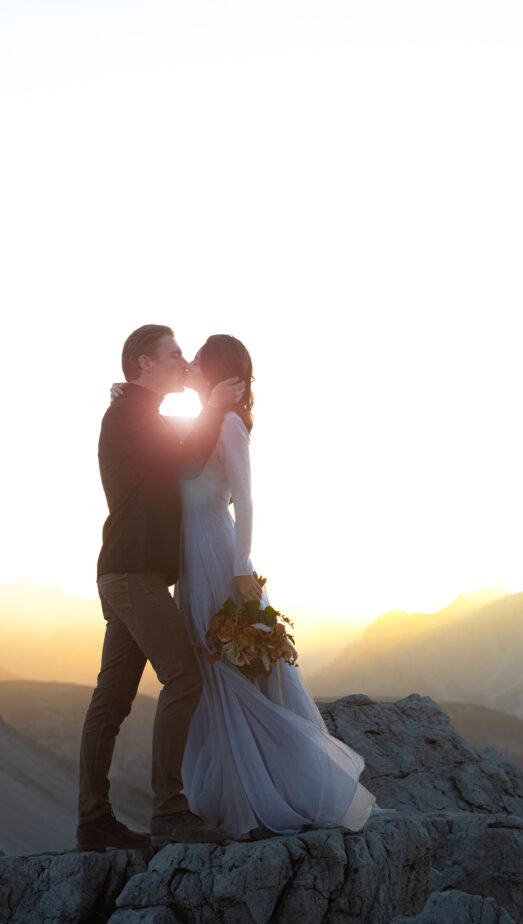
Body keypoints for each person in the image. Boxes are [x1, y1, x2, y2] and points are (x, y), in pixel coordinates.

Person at [176, 334, 376, 839]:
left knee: (232, 668)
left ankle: (269, 789)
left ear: (220, 371)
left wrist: (241, 567)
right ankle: (234, 790)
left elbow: (245, 501)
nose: (192, 362)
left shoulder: (227, 425)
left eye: (201, 357)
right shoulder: (200, 423)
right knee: (206, 666)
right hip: (190, 555)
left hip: (219, 554)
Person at [77, 324, 245, 853]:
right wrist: (214, 408)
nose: (181, 360)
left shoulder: (137, 414)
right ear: (143, 362)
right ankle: (169, 811)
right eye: (173, 353)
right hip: (133, 577)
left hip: (128, 573)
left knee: (113, 699)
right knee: (185, 678)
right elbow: (187, 461)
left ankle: (93, 822)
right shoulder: (131, 416)